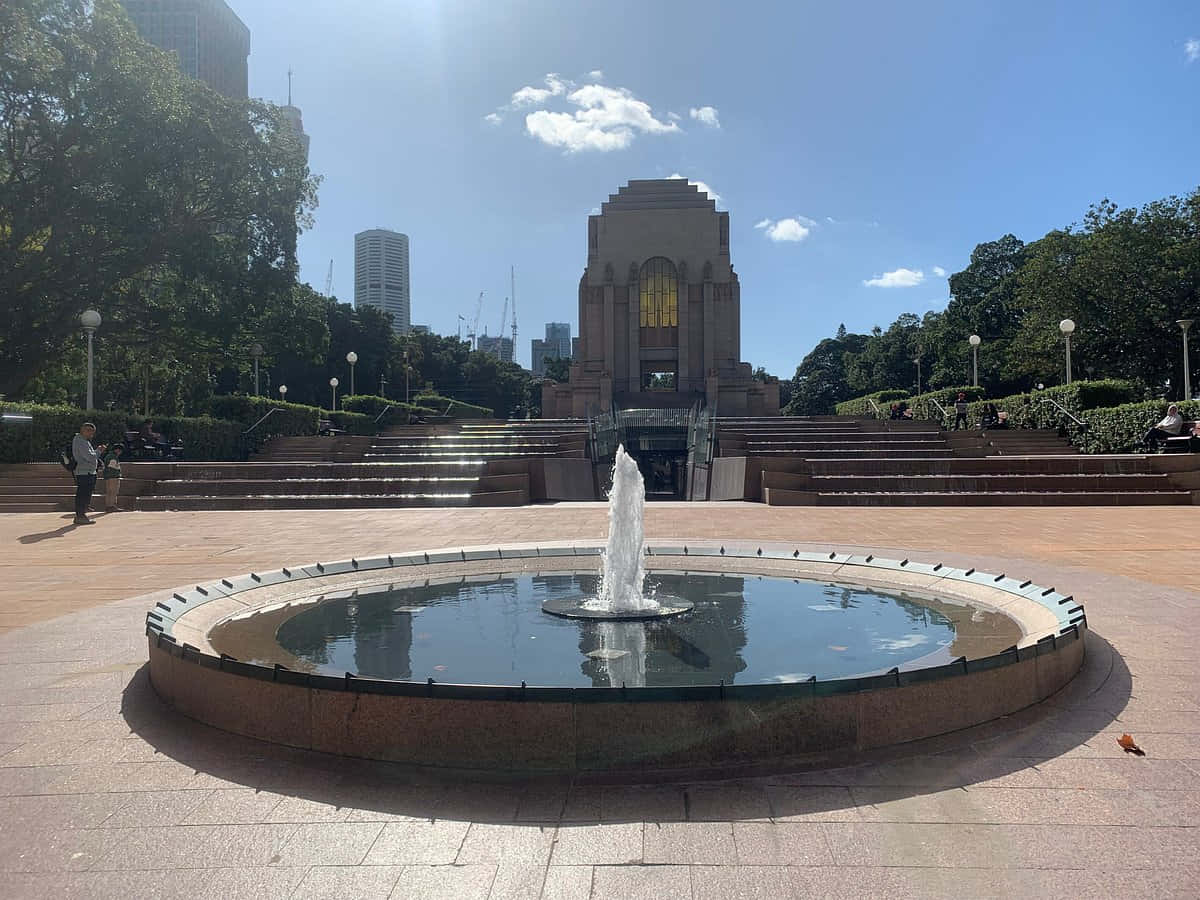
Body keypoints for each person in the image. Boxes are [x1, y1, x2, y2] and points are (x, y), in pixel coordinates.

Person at [71, 423, 105, 525]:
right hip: (84, 472)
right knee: (82, 494)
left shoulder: (85, 441)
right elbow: (89, 457)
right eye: (88, 430)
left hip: (88, 472)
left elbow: (90, 455)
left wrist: (96, 452)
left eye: (92, 431)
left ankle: (82, 514)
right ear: (82, 430)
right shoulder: (80, 440)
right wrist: (98, 451)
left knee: (85, 494)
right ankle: (80, 516)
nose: (90, 433)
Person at [100, 443, 124, 512]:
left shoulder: (108, 456)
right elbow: (112, 466)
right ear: (117, 450)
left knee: (109, 492)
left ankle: (108, 506)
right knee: (113, 492)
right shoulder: (113, 457)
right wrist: (118, 468)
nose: (120, 453)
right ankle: (112, 506)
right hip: (113, 476)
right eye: (120, 451)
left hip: (108, 476)